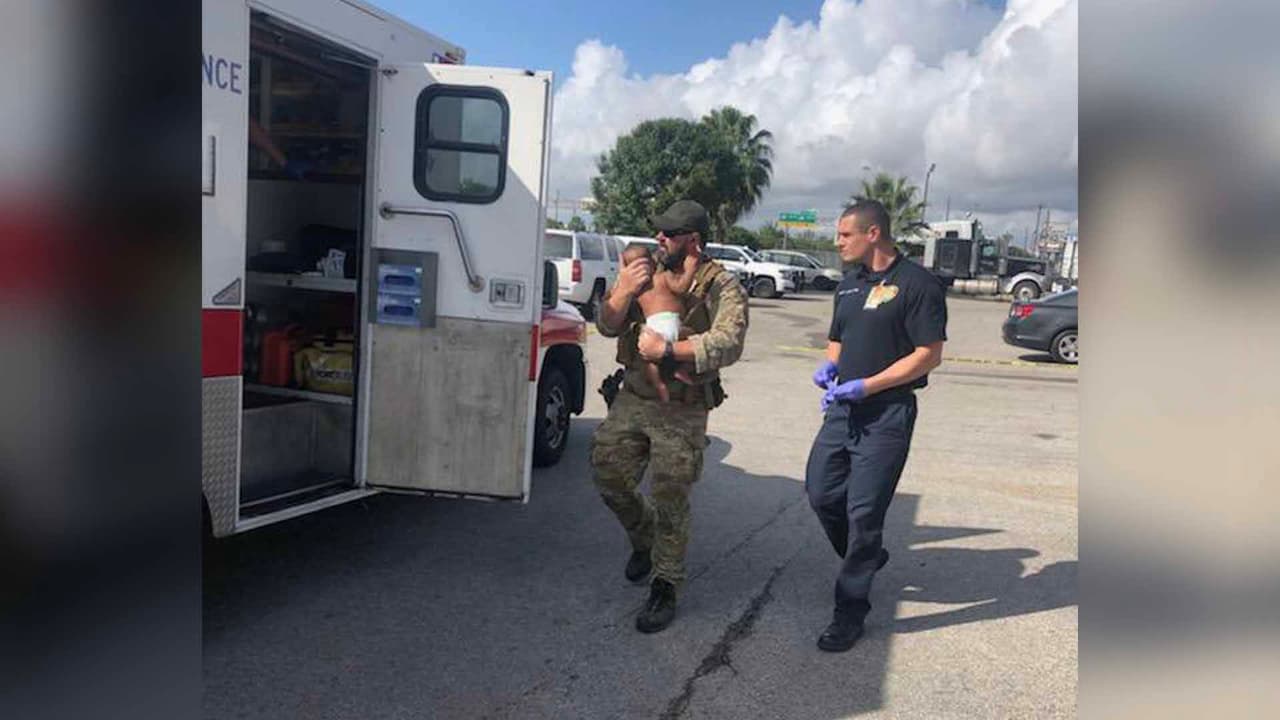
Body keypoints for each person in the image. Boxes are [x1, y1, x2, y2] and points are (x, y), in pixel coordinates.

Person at [591, 199, 749, 634]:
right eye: (658, 233)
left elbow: (729, 341)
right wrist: (622, 290)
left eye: (668, 234)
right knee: (609, 475)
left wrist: (670, 350)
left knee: (670, 495)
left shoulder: (721, 286)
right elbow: (606, 325)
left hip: (683, 406)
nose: (658, 239)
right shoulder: (644, 272)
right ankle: (644, 539)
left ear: (692, 240)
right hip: (634, 396)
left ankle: (666, 583)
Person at [804, 199, 947, 652]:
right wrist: (831, 368)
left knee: (864, 513)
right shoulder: (848, 286)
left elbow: (929, 353)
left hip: (886, 414)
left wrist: (868, 386)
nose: (837, 241)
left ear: (873, 234)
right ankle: (866, 556)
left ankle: (849, 610)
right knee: (821, 492)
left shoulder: (917, 284)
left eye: (844, 234)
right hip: (842, 411)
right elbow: (837, 339)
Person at [619, 242, 699, 402]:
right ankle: (683, 369)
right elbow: (682, 287)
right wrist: (691, 268)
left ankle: (658, 384)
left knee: (649, 361)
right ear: (653, 262)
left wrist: (623, 277)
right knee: (694, 340)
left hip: (652, 329)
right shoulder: (663, 277)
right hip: (672, 324)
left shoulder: (635, 289)